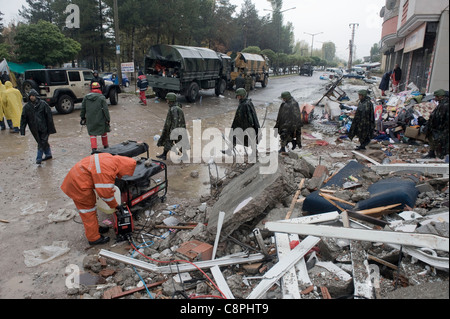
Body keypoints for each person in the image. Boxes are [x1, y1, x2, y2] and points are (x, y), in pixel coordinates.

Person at [61, 153, 137, 245]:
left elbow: (102, 184)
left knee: (91, 208)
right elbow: (106, 194)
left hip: (77, 178)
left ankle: (95, 228)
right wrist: (116, 206)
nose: (121, 176)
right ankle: (94, 238)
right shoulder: (107, 170)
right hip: (78, 185)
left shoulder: (111, 159)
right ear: (124, 168)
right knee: (88, 211)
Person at [20, 89, 56, 164]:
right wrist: (22, 130)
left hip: (44, 127)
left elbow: (49, 117)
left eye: (33, 96)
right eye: (30, 96)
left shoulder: (43, 104)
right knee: (42, 141)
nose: (32, 97)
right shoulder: (27, 107)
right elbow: (23, 119)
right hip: (34, 128)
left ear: (36, 96)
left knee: (41, 142)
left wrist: (51, 128)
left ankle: (38, 158)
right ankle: (48, 154)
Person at [222, 88, 260, 155]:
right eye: (237, 96)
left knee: (251, 139)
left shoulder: (245, 104)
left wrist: (251, 126)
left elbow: (250, 116)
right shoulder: (244, 103)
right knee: (234, 137)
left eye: (238, 96)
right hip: (240, 125)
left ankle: (254, 152)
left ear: (242, 95)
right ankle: (229, 150)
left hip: (246, 126)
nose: (237, 97)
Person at [80, 82, 110, 154]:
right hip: (101, 118)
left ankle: (94, 149)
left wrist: (83, 117)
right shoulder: (101, 97)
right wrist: (108, 119)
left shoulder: (86, 98)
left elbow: (83, 108)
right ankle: (106, 146)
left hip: (90, 119)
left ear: (91, 88)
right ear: (99, 88)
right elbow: (105, 110)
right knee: (103, 131)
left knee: (92, 134)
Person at [156, 92, 186, 161]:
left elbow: (175, 121)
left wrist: (172, 132)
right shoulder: (173, 108)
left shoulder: (174, 109)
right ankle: (164, 155)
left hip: (176, 130)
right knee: (168, 141)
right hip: (176, 129)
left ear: (170, 100)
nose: (166, 100)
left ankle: (185, 156)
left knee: (179, 143)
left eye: (167, 99)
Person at [423, 89, 449, 159]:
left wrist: (436, 127)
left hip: (441, 129)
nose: (435, 99)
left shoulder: (445, 105)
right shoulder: (442, 103)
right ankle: (433, 153)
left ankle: (441, 157)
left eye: (436, 97)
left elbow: (440, 118)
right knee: (435, 141)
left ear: (440, 96)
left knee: (441, 143)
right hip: (438, 128)